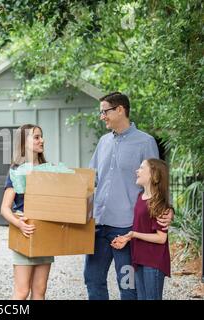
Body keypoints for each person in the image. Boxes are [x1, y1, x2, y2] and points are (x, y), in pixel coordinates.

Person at [84, 92, 174, 300]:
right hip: (98, 225)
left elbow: (158, 181)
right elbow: (90, 180)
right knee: (92, 279)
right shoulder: (103, 142)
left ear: (120, 110)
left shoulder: (145, 142)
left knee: (128, 284)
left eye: (104, 111)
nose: (102, 116)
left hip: (126, 227)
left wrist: (167, 211)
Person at [0, 124, 54, 300]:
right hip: (25, 234)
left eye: (41, 136)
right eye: (36, 137)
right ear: (24, 142)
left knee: (40, 291)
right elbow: (5, 208)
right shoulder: (17, 170)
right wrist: (19, 224)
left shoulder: (50, 169)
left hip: (45, 234)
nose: (42, 140)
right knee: (22, 292)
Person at [111, 159, 172, 300]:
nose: (137, 171)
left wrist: (133, 234)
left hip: (153, 260)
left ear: (154, 175)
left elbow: (161, 238)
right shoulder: (140, 197)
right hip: (139, 258)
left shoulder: (159, 203)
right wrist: (127, 238)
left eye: (141, 168)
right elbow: (140, 225)